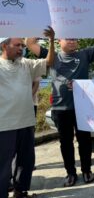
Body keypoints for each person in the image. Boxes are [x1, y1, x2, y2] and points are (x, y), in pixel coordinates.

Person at [25, 32, 94, 187]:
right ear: (59, 40)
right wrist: (40, 27)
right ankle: (70, 173)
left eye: (75, 38)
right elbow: (29, 43)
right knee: (66, 143)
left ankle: (86, 170)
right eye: (68, 38)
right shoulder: (52, 56)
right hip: (60, 109)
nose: (72, 40)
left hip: (82, 107)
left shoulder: (85, 54)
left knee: (85, 141)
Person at [0, 28, 55, 198]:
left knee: (26, 161)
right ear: (4, 46)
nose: (21, 48)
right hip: (4, 124)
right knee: (3, 165)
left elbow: (49, 62)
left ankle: (20, 192)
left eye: (22, 45)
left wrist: (52, 41)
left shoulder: (26, 63)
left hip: (26, 121)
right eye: (17, 45)